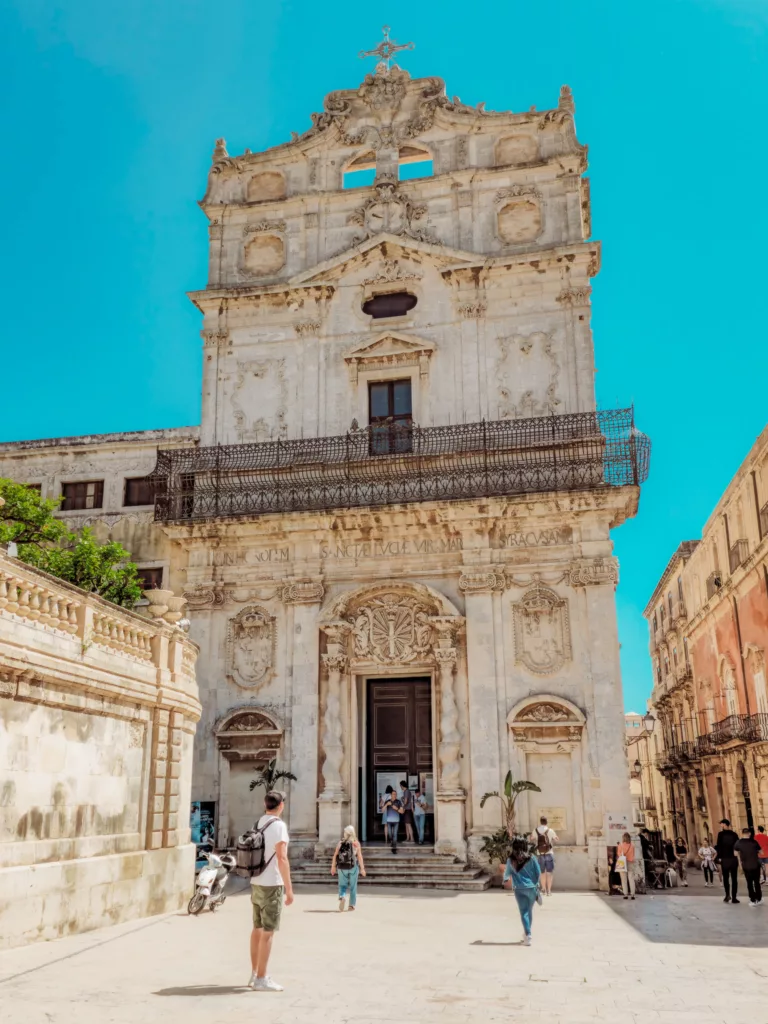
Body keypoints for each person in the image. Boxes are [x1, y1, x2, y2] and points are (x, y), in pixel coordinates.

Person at [248, 789, 293, 992]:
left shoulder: (259, 822)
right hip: (272, 884)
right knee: (268, 932)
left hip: (256, 882)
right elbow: (282, 858)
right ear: (281, 805)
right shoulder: (279, 826)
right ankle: (262, 978)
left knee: (257, 929)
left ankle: (254, 971)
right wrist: (289, 890)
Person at [503, 836, 542, 946]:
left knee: (523, 912)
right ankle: (527, 933)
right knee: (529, 911)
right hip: (532, 888)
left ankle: (528, 934)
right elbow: (538, 872)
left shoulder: (511, 860)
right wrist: (535, 883)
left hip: (519, 889)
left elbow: (507, 873)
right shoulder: (532, 858)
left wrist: (505, 880)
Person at [330, 825, 366, 911]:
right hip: (353, 866)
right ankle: (351, 905)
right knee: (353, 886)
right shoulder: (356, 843)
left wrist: (333, 866)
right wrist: (362, 868)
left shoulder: (340, 843)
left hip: (342, 867)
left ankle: (342, 896)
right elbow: (359, 856)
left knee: (342, 885)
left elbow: (335, 855)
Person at [734, 827, 763, 907]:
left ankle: (752, 899)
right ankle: (759, 898)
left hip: (746, 866)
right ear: (749, 833)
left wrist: (740, 864)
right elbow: (761, 852)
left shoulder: (738, 843)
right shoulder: (754, 842)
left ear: (742, 833)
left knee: (749, 883)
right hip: (755, 865)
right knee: (757, 883)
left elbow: (735, 854)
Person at [530, 816, 558, 895]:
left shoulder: (536, 830)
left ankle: (543, 889)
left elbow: (531, 838)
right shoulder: (550, 830)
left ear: (540, 822)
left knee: (542, 872)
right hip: (549, 853)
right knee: (549, 872)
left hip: (540, 854)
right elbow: (556, 839)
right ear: (546, 822)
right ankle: (549, 891)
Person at [715, 818, 740, 904]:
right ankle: (734, 897)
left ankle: (727, 895)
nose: (720, 826)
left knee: (726, 878)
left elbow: (718, 846)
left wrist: (719, 857)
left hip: (725, 859)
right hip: (733, 859)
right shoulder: (734, 834)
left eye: (721, 824)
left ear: (725, 824)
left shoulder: (720, 834)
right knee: (734, 878)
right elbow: (738, 846)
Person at [382, 785, 403, 854]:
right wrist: (386, 805)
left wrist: (396, 809)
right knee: (390, 834)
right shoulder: (388, 801)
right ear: (391, 795)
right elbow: (382, 810)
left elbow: (402, 811)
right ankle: (391, 841)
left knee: (395, 834)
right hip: (389, 820)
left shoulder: (398, 802)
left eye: (395, 794)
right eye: (393, 794)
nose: (395, 795)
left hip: (396, 820)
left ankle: (394, 848)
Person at [615, 832, 636, 900]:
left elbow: (619, 854)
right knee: (631, 878)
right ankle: (632, 894)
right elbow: (633, 854)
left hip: (622, 862)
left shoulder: (620, 845)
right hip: (631, 862)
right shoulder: (632, 845)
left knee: (623, 879)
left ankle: (625, 894)